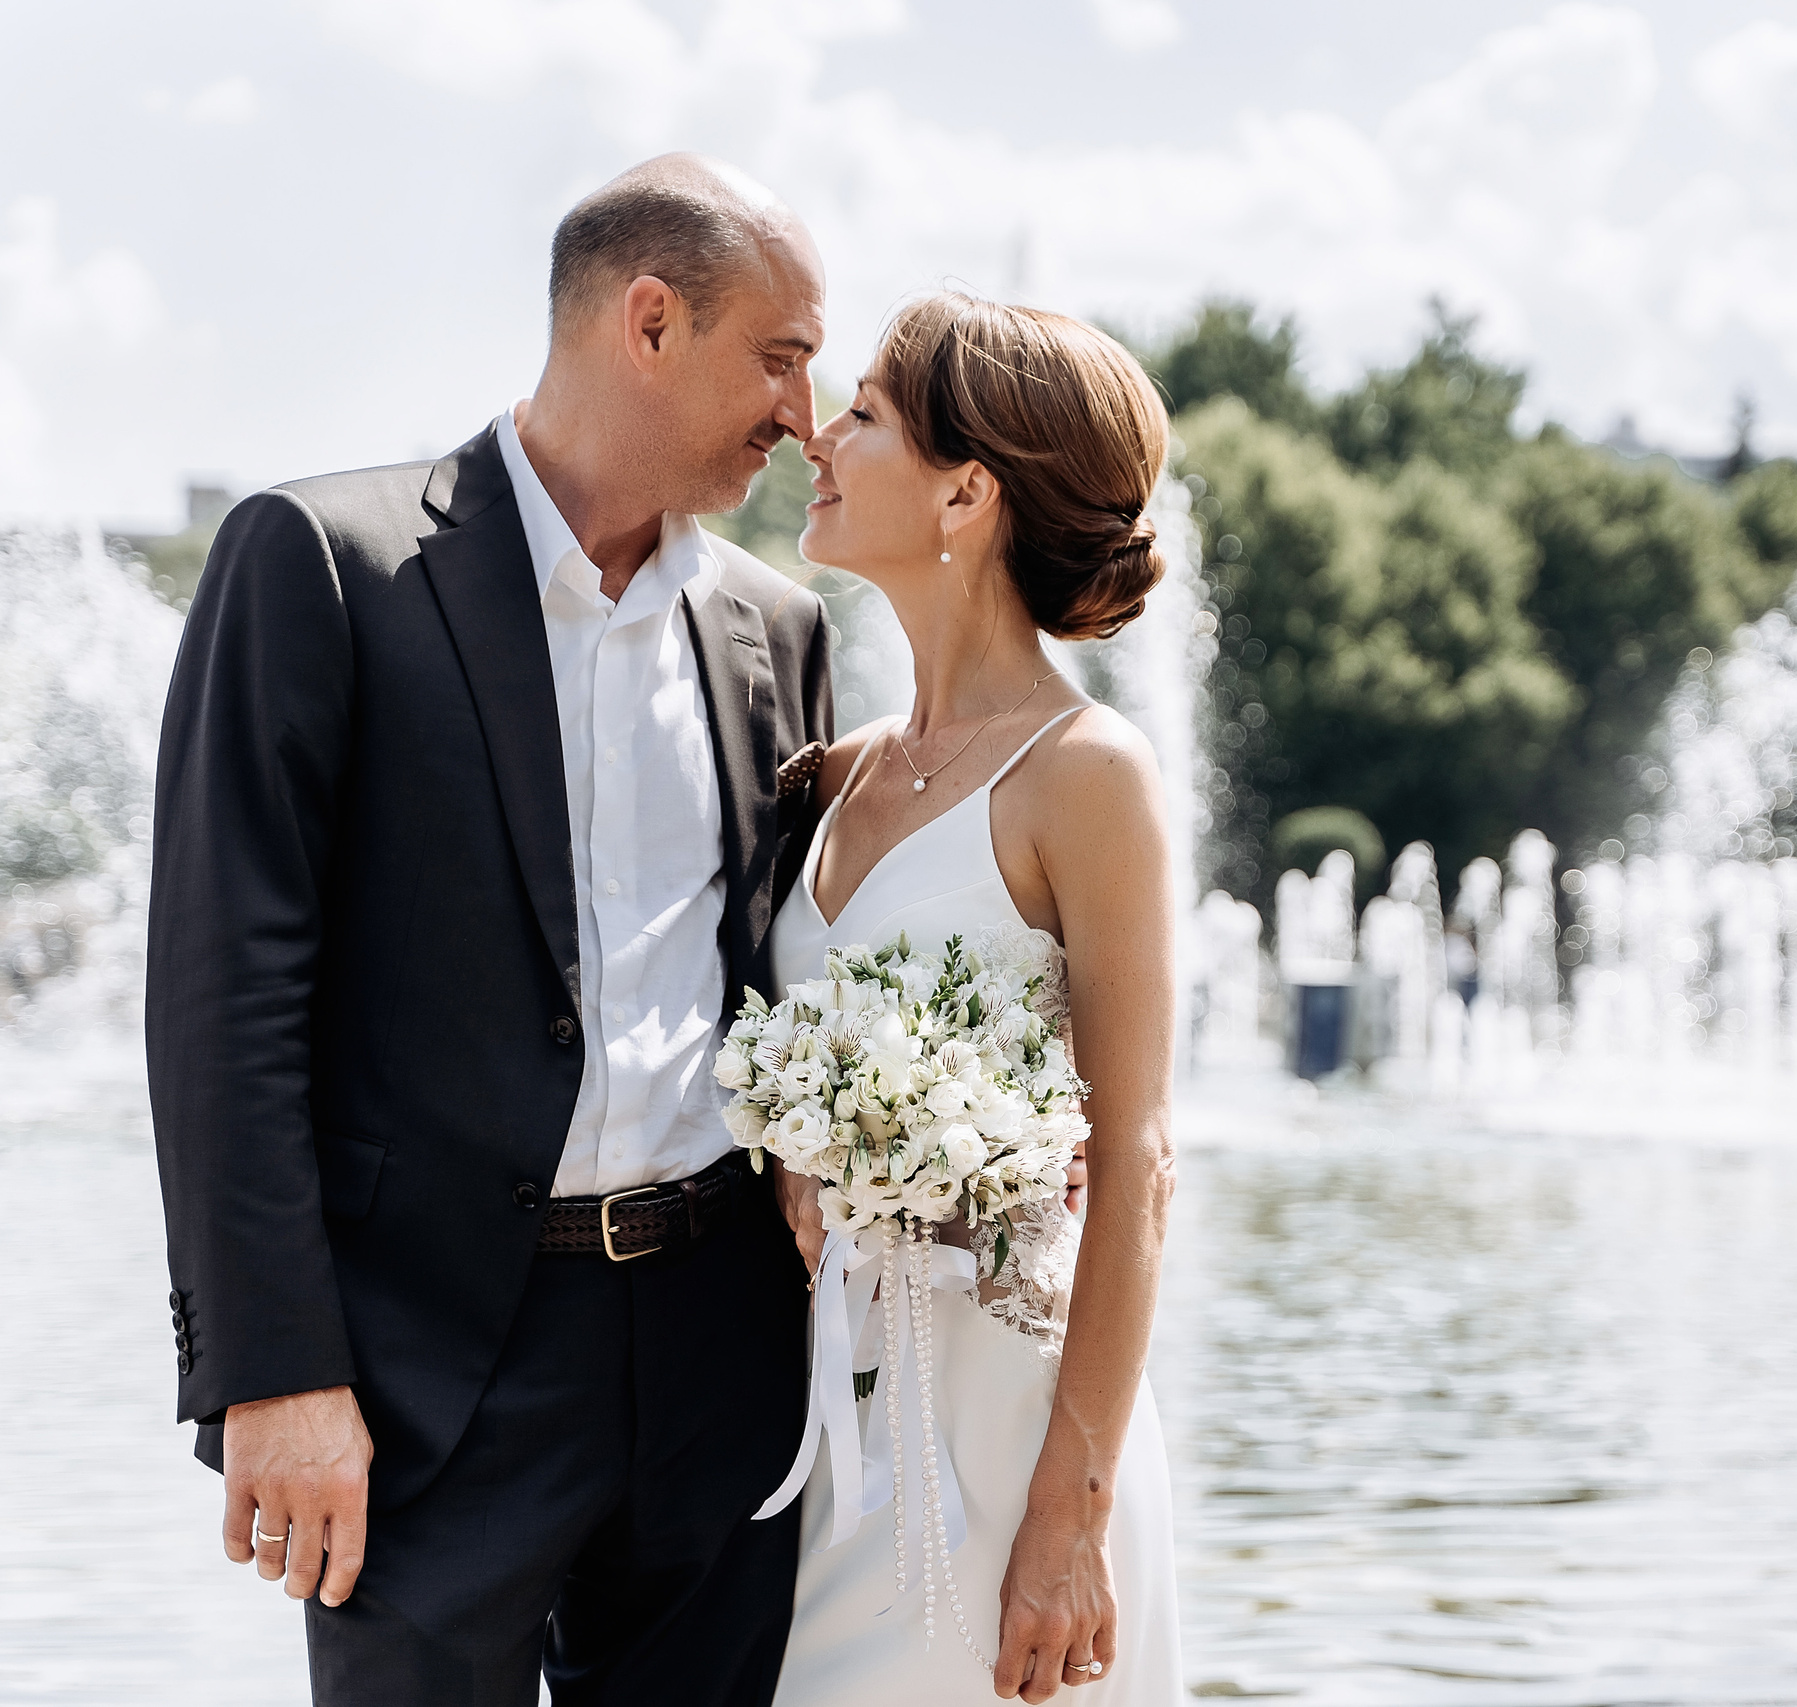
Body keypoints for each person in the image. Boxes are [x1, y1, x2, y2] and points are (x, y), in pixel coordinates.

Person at [147, 155, 835, 1705]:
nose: (805, 412)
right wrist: (274, 1369)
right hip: (425, 1379)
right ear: (649, 322)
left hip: (720, 1363)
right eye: (781, 357)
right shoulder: (323, 564)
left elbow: (781, 974)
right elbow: (222, 1001)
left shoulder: (776, 628)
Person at [763, 292, 1182, 1705]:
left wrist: (1072, 1514)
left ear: (967, 492)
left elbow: (1137, 1162)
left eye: (865, 413)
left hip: (1007, 1439)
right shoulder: (832, 771)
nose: (820, 437)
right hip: (823, 1414)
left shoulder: (1088, 774)